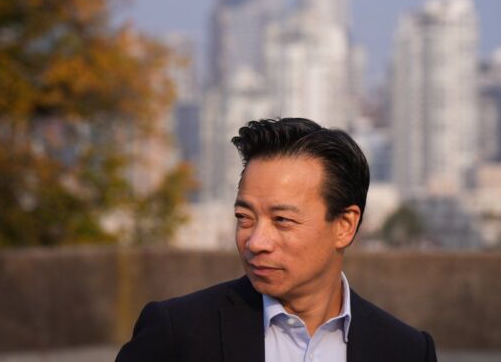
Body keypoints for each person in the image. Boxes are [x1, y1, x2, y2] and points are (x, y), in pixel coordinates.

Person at [116, 118, 437, 362]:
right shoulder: (177, 333)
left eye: (282, 220)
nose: (255, 242)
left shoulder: (406, 350)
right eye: (244, 218)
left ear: (345, 225)